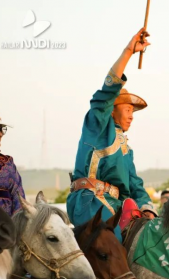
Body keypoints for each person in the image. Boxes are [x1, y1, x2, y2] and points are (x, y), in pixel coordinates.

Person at [67, 28, 155, 241]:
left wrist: (147, 209)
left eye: (133, 112)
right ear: (112, 109)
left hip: (117, 206)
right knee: (112, 247)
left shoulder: (127, 149)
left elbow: (135, 183)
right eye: (128, 110)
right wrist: (128, 52)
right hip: (90, 201)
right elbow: (104, 95)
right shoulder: (97, 125)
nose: (132, 116)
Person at [0, 106, 25, 216]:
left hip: (6, 229)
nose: (0, 134)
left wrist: (14, 227)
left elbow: (19, 200)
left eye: (2, 129)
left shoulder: (7, 163)